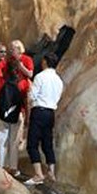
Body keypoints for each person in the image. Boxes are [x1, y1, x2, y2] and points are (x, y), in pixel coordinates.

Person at [24, 53, 64, 184]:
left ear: (45, 62)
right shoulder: (59, 80)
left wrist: (29, 93)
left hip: (39, 111)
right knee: (47, 144)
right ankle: (51, 173)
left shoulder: (40, 76)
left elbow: (32, 96)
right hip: (50, 113)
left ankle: (38, 174)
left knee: (32, 144)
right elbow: (57, 97)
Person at [0, 62, 30, 174]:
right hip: (18, 115)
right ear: (19, 70)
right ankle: (13, 168)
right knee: (14, 142)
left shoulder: (0, 81)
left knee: (2, 141)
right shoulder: (24, 83)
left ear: (6, 70)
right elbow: (26, 101)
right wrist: (27, 117)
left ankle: (1, 167)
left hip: (2, 115)